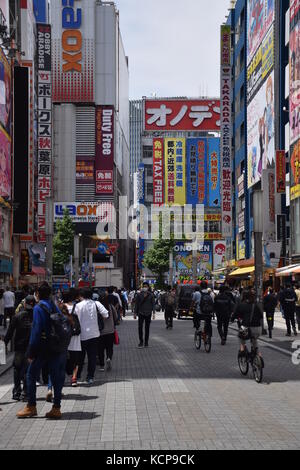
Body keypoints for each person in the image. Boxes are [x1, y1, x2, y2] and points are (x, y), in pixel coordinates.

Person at [17, 282, 70, 420]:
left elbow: (36, 331)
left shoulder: (38, 307)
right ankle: (56, 408)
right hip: (56, 346)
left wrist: (31, 352)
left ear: (37, 294)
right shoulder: (53, 305)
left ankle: (31, 406)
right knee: (57, 377)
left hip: (42, 347)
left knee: (30, 375)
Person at [4, 295, 35, 401]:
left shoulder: (17, 316)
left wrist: (4, 344)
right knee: (27, 370)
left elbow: (9, 332)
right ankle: (26, 393)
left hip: (19, 347)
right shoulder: (36, 315)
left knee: (17, 369)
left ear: (25, 304)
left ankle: (17, 392)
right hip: (31, 347)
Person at [76, 288, 108, 384]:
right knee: (92, 357)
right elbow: (106, 314)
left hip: (82, 335)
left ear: (82, 296)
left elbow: (76, 319)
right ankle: (90, 377)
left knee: (80, 358)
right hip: (94, 334)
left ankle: (77, 376)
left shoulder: (78, 305)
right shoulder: (96, 303)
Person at [231, 289, 263, 359]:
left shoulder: (242, 305)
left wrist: (232, 319)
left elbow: (235, 315)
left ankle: (242, 350)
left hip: (246, 328)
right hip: (258, 328)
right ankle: (259, 356)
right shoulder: (255, 306)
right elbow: (261, 316)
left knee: (240, 337)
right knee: (254, 340)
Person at [98, 288, 118, 371]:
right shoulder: (110, 306)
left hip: (100, 331)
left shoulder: (97, 307)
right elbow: (115, 317)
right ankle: (109, 358)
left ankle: (102, 365)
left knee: (100, 349)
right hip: (110, 330)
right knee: (109, 347)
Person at [134, 282, 156, 348]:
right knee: (140, 328)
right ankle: (141, 342)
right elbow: (136, 304)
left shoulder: (151, 295)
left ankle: (146, 342)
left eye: (146, 286)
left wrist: (154, 313)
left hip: (148, 313)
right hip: (141, 313)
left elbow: (153, 304)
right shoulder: (139, 295)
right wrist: (135, 313)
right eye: (144, 286)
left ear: (148, 287)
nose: (145, 287)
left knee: (147, 328)